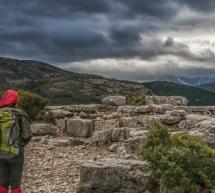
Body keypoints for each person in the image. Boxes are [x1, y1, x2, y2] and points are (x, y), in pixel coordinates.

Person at [0, 90, 32, 193]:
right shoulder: (20, 114)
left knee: (2, 182)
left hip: (0, 153)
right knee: (15, 183)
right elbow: (27, 135)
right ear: (15, 101)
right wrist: (22, 144)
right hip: (16, 152)